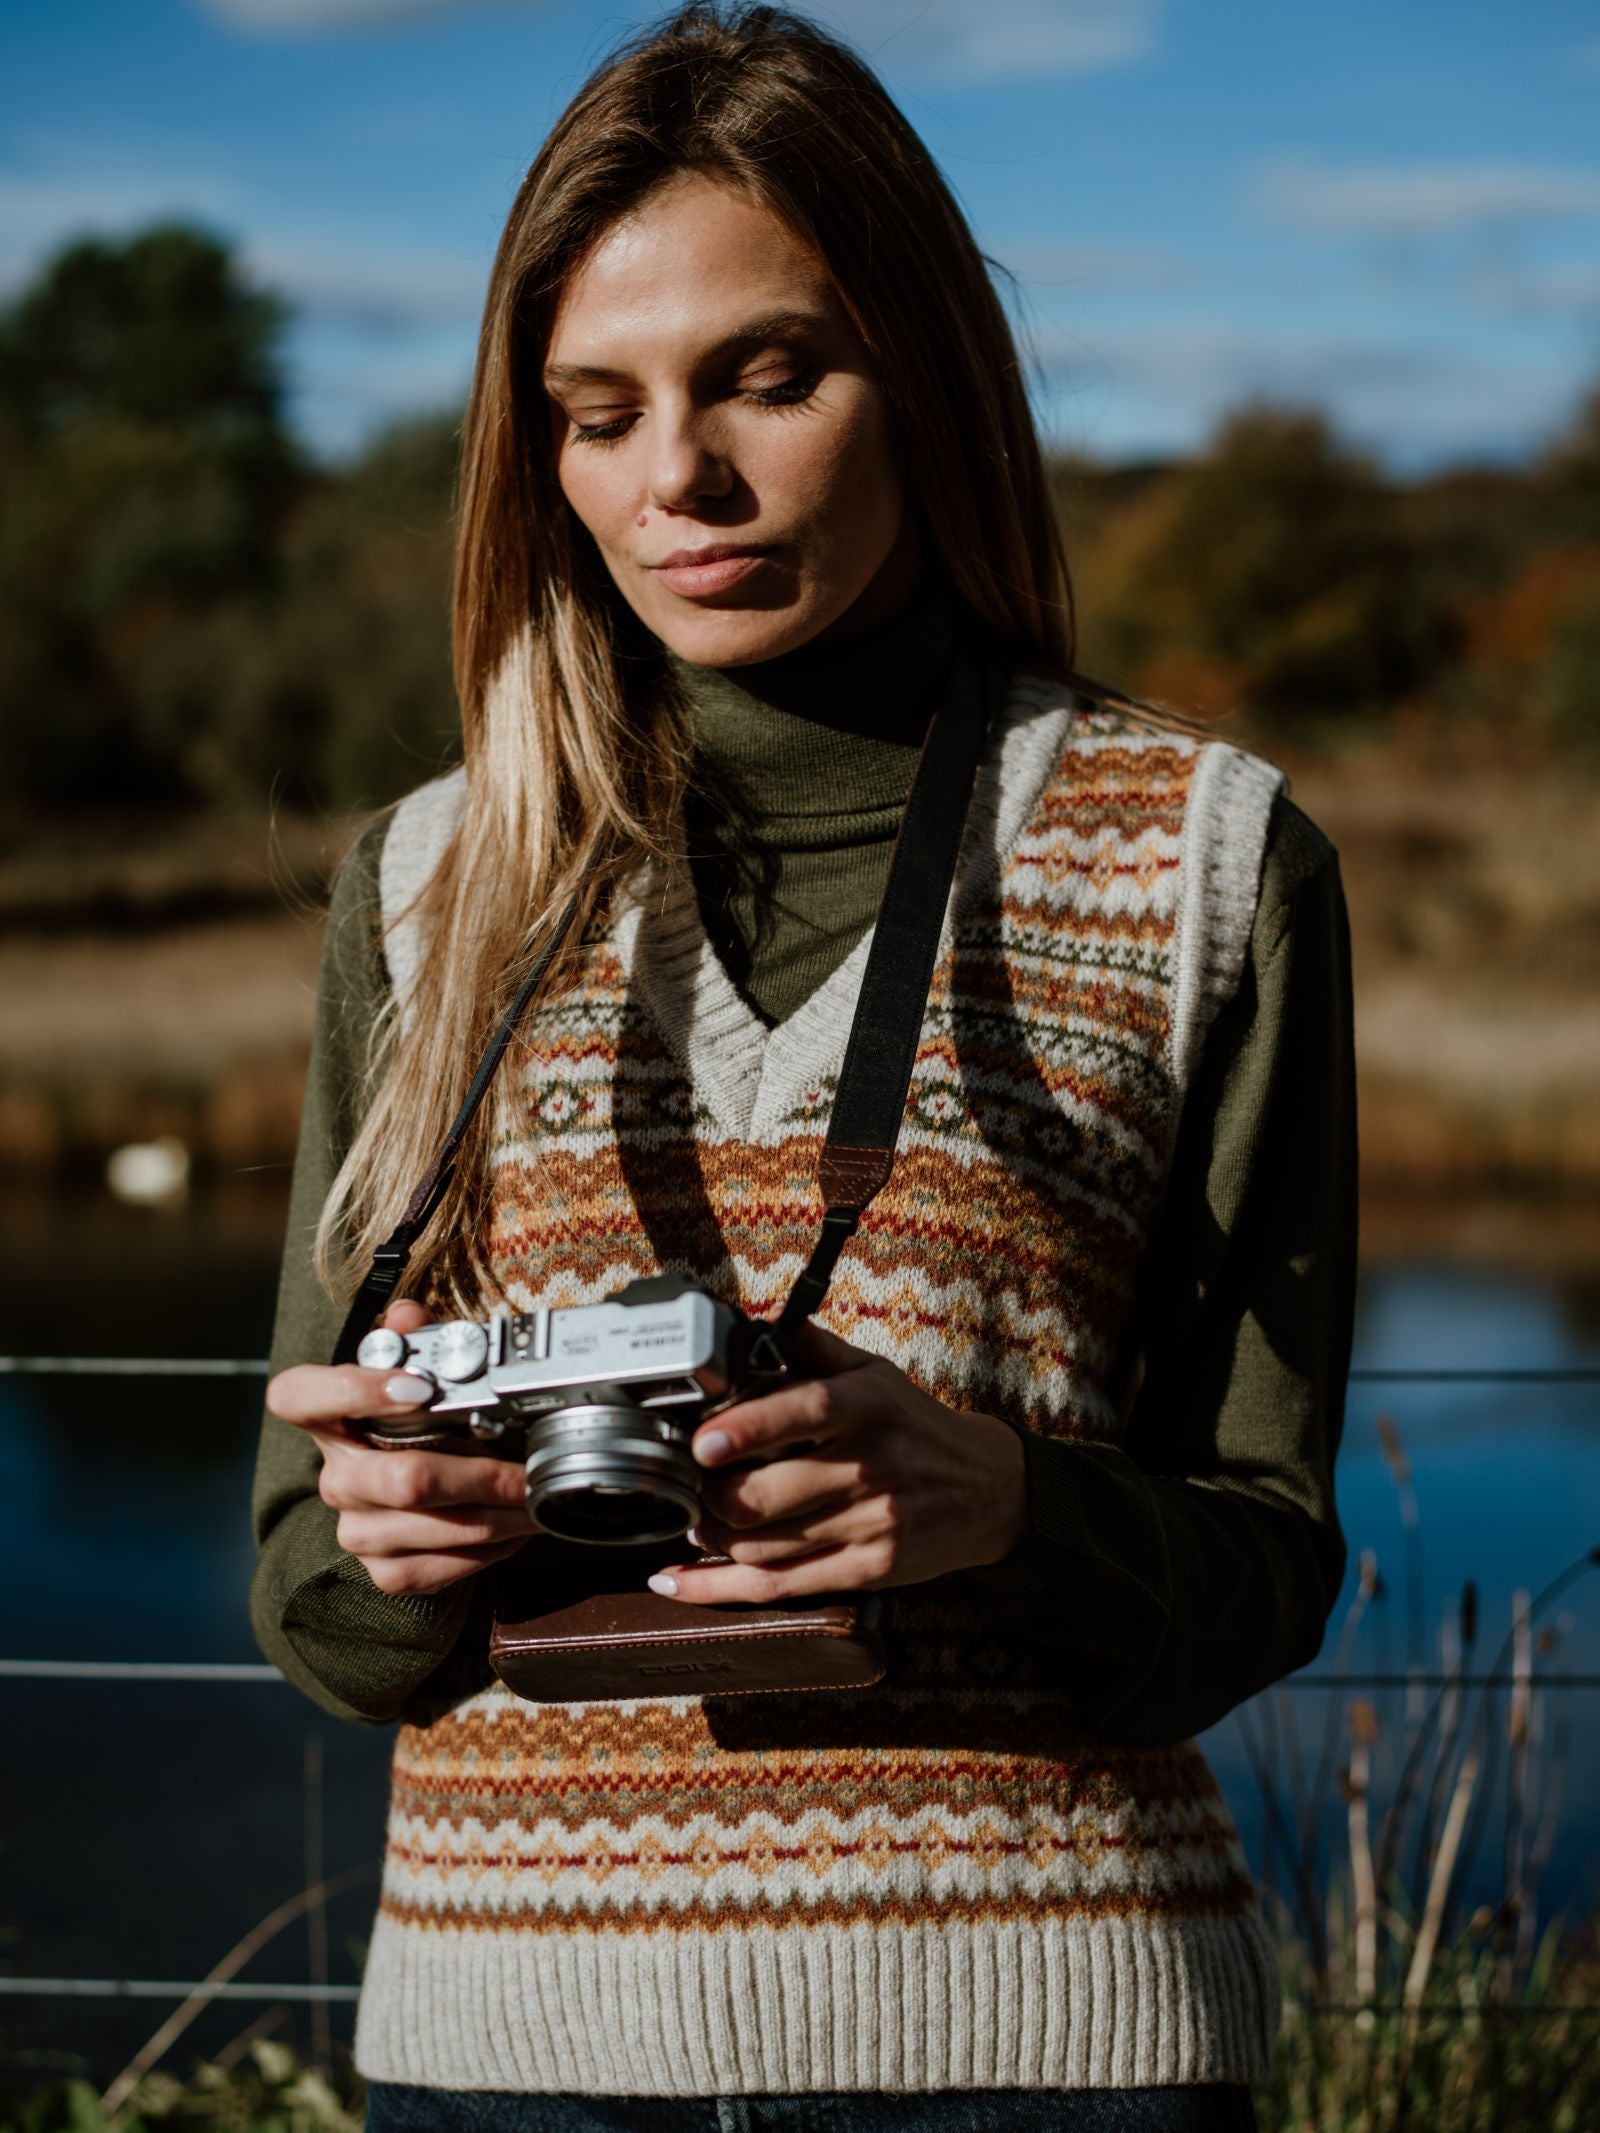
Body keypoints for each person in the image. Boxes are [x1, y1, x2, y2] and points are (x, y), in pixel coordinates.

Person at [252, 6, 1356, 2127]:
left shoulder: (1209, 855)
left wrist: (1000, 1506)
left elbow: (1262, 1558)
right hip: (510, 2058)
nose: (678, 479)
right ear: (538, 450)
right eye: (596, 410)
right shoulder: (426, 880)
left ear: (922, 374)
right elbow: (306, 1599)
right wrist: (399, 1538)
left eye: (768, 375)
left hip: (1051, 2048)